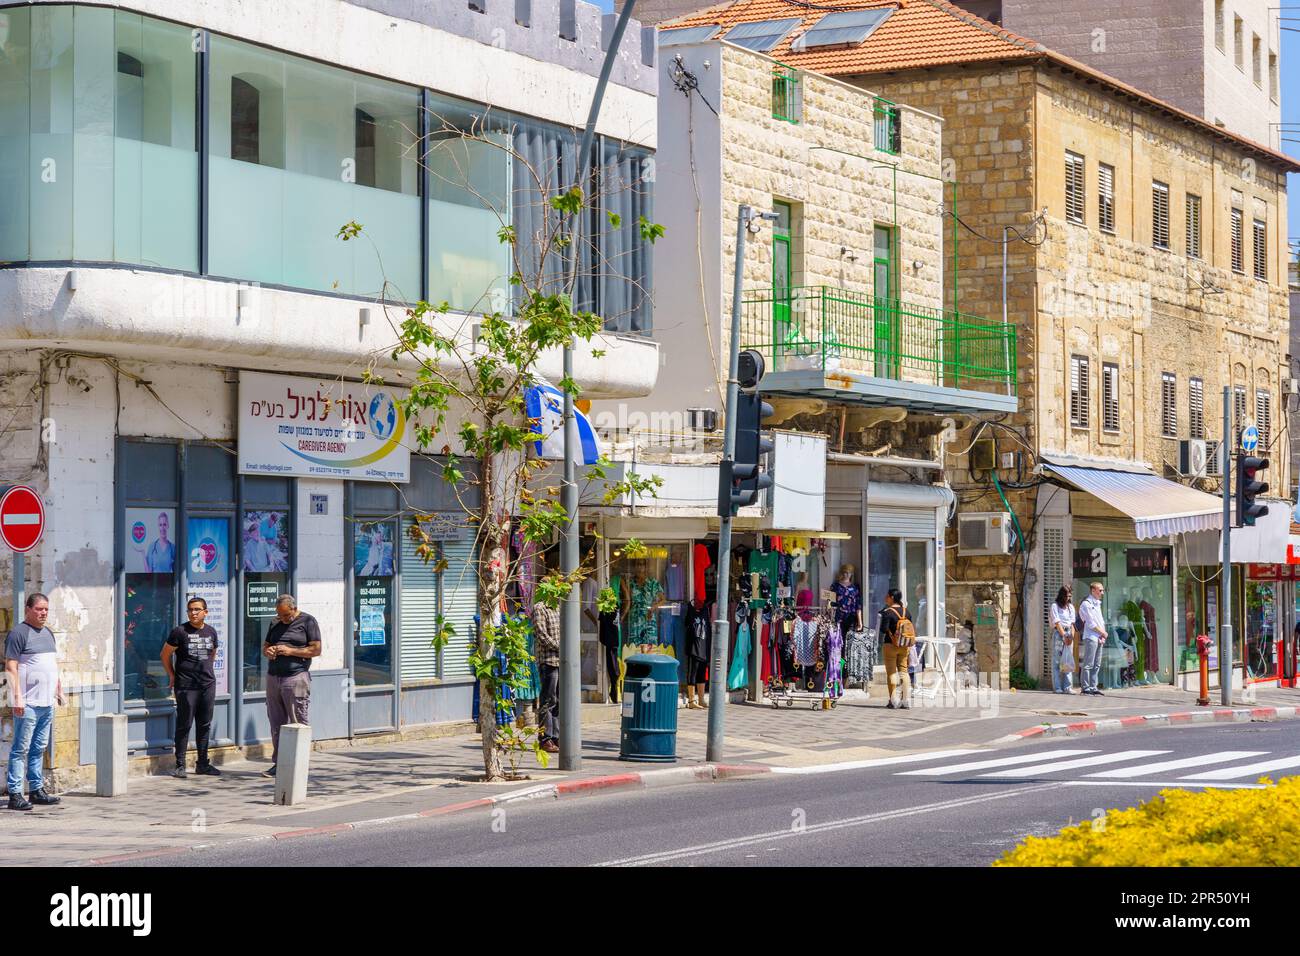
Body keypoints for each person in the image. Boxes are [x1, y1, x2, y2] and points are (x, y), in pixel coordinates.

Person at [5, 593, 64, 810]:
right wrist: (17, 697)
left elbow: (51, 664)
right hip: (27, 703)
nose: (43, 613)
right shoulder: (18, 633)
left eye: (46, 609)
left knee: (39, 747)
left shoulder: (48, 633)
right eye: (39, 609)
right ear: (28, 609)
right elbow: (11, 667)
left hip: (46, 702)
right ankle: (15, 793)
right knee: (21, 748)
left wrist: (58, 688)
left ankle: (37, 790)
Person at [161, 597, 221, 778]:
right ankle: (180, 765)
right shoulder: (179, 631)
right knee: (184, 725)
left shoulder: (211, 631)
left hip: (207, 685)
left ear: (205, 612)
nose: (193, 613)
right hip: (186, 686)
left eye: (197, 609)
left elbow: (212, 654)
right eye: (190, 610)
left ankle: (202, 764)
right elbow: (165, 655)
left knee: (204, 725)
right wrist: (172, 675)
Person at [262, 594, 321, 777]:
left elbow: (316, 650)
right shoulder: (275, 623)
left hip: (296, 677)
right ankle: (279, 764)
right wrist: (269, 651)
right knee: (276, 723)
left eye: (286, 615)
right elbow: (265, 646)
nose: (283, 619)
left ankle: (299, 764)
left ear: (294, 609)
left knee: (298, 721)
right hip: (274, 677)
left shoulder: (308, 621)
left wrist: (290, 651)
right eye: (280, 615)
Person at [531, 598, 560, 754]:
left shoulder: (558, 606)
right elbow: (541, 635)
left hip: (563, 661)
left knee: (559, 701)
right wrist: (561, 647)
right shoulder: (540, 608)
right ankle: (545, 738)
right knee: (548, 700)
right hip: (549, 661)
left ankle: (556, 736)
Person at [879, 588, 913, 709]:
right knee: (904, 671)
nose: (885, 598)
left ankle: (894, 700)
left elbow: (883, 629)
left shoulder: (888, 612)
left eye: (887, 596)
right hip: (904, 646)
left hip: (891, 645)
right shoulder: (906, 611)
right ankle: (906, 699)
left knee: (892, 672)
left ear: (892, 597)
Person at [1078, 581, 1108, 696]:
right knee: (1088, 663)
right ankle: (1085, 688)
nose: (1102, 592)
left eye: (1102, 590)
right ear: (1093, 591)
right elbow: (1090, 623)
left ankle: (1093, 686)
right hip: (1091, 636)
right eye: (1100, 590)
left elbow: (1100, 620)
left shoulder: (1097, 603)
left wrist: (1102, 634)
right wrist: (1103, 633)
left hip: (1099, 636)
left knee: (1097, 664)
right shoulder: (1086, 604)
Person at [1049, 585, 1076, 694]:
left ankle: (1068, 687)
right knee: (1057, 660)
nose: (1068, 599)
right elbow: (1057, 622)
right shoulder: (1055, 606)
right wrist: (1064, 635)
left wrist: (1071, 636)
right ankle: (1057, 687)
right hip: (1059, 634)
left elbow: (1073, 624)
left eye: (1069, 596)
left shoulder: (1071, 607)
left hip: (1069, 633)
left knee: (1067, 660)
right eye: (1066, 596)